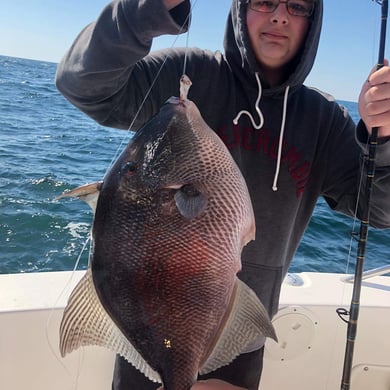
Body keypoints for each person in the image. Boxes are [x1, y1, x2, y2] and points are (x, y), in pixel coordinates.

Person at [55, 0, 390, 389]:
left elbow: (379, 210)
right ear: (240, 9)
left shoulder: (325, 120)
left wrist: (382, 138)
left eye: (297, 6)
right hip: (153, 320)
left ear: (313, 23)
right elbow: (83, 85)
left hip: (238, 332)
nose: (279, 16)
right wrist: (145, 8)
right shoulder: (190, 71)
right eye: (264, 1)